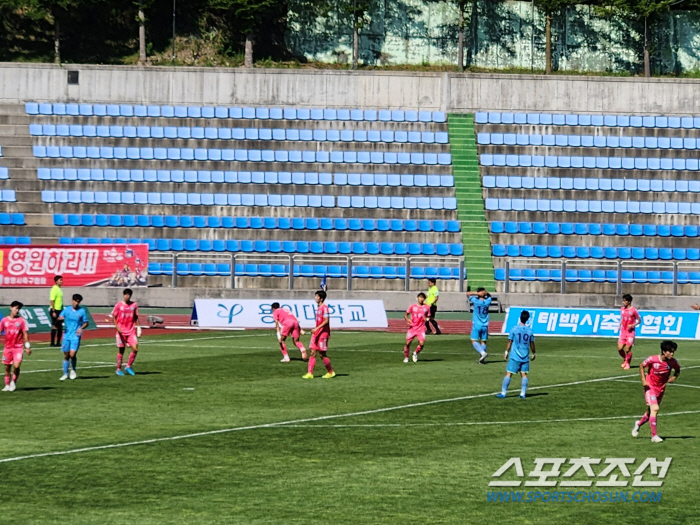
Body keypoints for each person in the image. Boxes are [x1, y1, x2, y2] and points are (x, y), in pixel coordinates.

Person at [632, 340, 681, 443]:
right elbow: (641, 366)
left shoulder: (672, 362)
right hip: (650, 387)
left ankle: (638, 424)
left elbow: (677, 370)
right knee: (655, 408)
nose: (671, 354)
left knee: (651, 412)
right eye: (670, 351)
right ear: (664, 351)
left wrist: (674, 378)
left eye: (673, 352)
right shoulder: (653, 359)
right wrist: (644, 380)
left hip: (661, 389)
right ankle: (654, 436)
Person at [496, 310, 536, 399]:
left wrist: (506, 351)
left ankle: (503, 393)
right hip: (525, 356)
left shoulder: (514, 329)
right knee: (524, 374)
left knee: (509, 373)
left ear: (520, 318)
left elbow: (510, 341)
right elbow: (532, 343)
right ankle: (523, 393)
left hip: (515, 355)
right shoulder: (530, 331)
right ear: (527, 319)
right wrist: (533, 353)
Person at [303, 290, 335, 379]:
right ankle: (310, 373)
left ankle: (330, 372)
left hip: (323, 334)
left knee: (322, 354)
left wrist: (317, 328)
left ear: (321, 298)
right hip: (316, 333)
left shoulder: (325, 308)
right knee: (312, 352)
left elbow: (326, 320)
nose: (315, 298)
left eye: (317, 296)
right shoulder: (318, 308)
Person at [0, 301, 31, 392]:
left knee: (16, 366)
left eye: (18, 309)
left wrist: (27, 346)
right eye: (15, 308)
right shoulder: (4, 320)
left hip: (18, 347)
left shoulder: (21, 321)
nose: (17, 310)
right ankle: (6, 384)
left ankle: (13, 382)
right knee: (7, 366)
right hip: (8, 347)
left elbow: (25, 333)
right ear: (11, 308)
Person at [57, 294, 89, 381]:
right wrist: (60, 318)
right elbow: (60, 317)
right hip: (67, 335)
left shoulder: (82, 311)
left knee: (72, 354)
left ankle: (73, 370)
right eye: (75, 301)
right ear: (72, 300)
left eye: (78, 302)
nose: (76, 303)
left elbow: (86, 322)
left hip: (75, 336)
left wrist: (81, 328)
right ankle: (65, 373)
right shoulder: (66, 310)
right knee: (66, 355)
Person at [112, 288, 141, 376]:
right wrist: (117, 327)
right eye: (125, 294)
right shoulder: (119, 305)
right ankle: (118, 369)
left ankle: (128, 366)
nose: (126, 296)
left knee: (135, 348)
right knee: (121, 350)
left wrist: (139, 327)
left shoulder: (134, 305)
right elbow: (114, 317)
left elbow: (136, 317)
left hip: (131, 330)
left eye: (128, 295)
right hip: (121, 331)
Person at [467, 287, 492, 364]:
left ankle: (482, 353)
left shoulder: (476, 301)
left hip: (477, 324)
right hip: (485, 324)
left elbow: (468, 294)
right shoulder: (488, 301)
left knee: (473, 340)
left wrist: (477, 293)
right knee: (483, 341)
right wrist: (484, 292)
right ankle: (482, 360)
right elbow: (490, 295)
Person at [404, 293, 431, 363]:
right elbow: (406, 315)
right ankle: (406, 357)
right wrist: (408, 320)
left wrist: (427, 319)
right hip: (412, 328)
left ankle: (415, 353)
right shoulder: (412, 306)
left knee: (422, 343)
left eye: (422, 298)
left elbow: (429, 316)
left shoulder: (426, 308)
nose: (421, 299)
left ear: (424, 299)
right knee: (408, 343)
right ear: (417, 298)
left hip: (421, 328)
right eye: (420, 297)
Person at [618, 293, 641, 370]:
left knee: (627, 349)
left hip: (630, 333)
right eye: (623, 301)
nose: (623, 302)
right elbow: (623, 318)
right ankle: (625, 359)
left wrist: (632, 325)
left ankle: (628, 363)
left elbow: (639, 320)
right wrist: (619, 324)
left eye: (624, 301)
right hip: (623, 332)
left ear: (629, 302)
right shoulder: (622, 309)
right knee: (620, 349)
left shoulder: (633, 310)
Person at [49, 275, 64, 347]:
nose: (61, 281)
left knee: (60, 326)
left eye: (61, 280)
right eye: (60, 280)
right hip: (56, 310)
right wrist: (53, 311)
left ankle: (58, 342)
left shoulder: (59, 289)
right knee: (55, 326)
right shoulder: (54, 289)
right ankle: (52, 343)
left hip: (60, 310)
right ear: (56, 281)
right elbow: (52, 300)